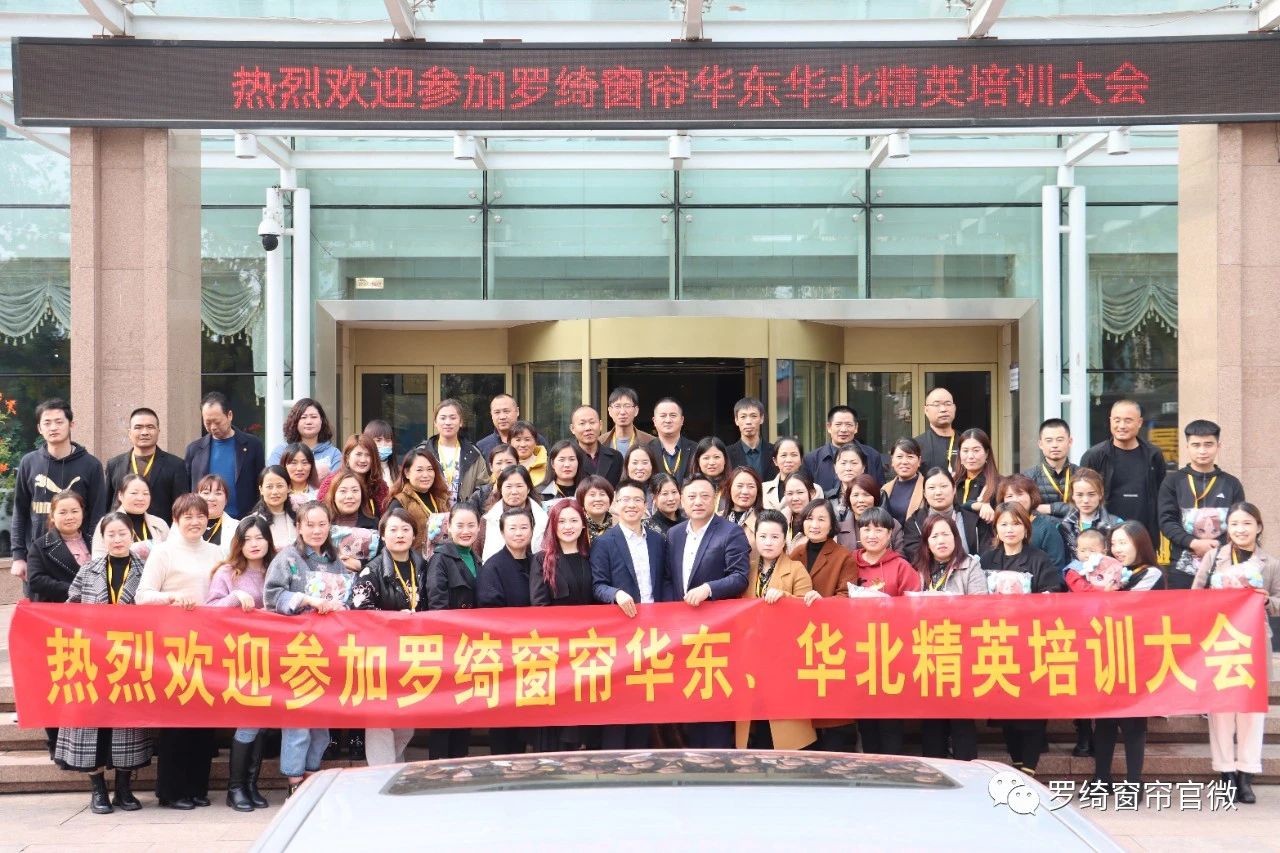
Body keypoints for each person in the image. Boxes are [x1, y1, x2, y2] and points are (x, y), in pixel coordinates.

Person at [53, 512, 151, 815]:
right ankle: (98, 790)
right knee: (91, 725)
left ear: (132, 536)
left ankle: (124, 789)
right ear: (103, 538)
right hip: (92, 660)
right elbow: (71, 606)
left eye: (123, 533)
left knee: (126, 727)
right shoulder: (89, 570)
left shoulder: (146, 570)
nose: (118, 539)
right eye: (111, 534)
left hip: (130, 660)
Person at [136, 493, 223, 809]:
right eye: (188, 517)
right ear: (176, 520)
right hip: (174, 646)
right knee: (177, 721)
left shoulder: (217, 552)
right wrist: (171, 598)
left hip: (209, 644)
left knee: (205, 720)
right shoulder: (163, 552)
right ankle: (172, 791)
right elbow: (142, 595)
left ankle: (197, 787)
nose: (195, 522)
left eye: (200, 516)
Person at [1062, 523, 1161, 795]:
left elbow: (1125, 605)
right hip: (1105, 653)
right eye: (1114, 543)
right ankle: (1101, 779)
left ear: (1140, 544)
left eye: (1123, 543)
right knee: (1104, 720)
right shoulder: (1105, 572)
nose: (1117, 549)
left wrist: (1104, 593)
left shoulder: (1149, 573)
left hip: (1136, 657)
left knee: (1132, 722)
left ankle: (1133, 783)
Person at [1193, 502, 1278, 805]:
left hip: (1254, 642)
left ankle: (1246, 774)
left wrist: (1266, 601)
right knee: (1221, 710)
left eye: (1247, 523)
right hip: (1219, 640)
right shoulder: (1213, 557)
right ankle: (1226, 772)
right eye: (1235, 524)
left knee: (1251, 711)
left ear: (1259, 527)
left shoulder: (1270, 563)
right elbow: (1195, 595)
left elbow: (1279, 600)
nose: (1240, 530)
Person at [265, 502, 350, 796]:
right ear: (299, 527)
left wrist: (340, 606)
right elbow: (272, 596)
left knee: (321, 722)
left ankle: (312, 776)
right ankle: (294, 782)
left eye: (322, 524)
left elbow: (346, 598)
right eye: (310, 525)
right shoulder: (287, 558)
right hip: (296, 650)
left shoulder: (335, 561)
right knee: (298, 721)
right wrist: (306, 600)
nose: (316, 530)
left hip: (327, 651)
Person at [665, 474, 750, 748]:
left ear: (716, 499)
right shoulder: (674, 534)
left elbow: (740, 576)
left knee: (715, 698)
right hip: (683, 631)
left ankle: (719, 762)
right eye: (691, 496)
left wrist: (708, 589)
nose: (698, 502)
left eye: (704, 496)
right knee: (689, 698)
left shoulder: (730, 532)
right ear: (682, 500)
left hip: (717, 632)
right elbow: (668, 578)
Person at [982, 501, 1063, 776]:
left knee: (1031, 711)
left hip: (1030, 645)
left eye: (1016, 524)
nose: (1010, 529)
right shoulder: (987, 560)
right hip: (999, 645)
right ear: (996, 528)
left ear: (1026, 528)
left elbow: (1054, 594)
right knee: (1006, 711)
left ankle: (1028, 769)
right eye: (1004, 524)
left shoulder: (1039, 559)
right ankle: (1018, 765)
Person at [349, 508, 429, 767]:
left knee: (407, 721)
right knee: (380, 721)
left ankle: (393, 767)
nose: (400, 535)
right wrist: (394, 620)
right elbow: (359, 612)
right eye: (393, 530)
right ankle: (381, 774)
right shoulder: (371, 571)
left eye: (406, 529)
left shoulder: (423, 566)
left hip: (412, 654)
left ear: (414, 535)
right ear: (382, 535)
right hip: (379, 656)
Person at [205, 515, 275, 812]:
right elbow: (209, 609)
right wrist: (235, 596)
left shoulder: (277, 568)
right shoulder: (227, 572)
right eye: (247, 539)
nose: (254, 544)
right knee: (248, 720)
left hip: (273, 656)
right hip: (241, 657)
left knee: (261, 724)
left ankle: (250, 784)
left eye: (260, 538)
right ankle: (235, 788)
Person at [591, 480, 667, 748]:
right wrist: (616, 594)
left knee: (644, 694)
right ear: (615, 504)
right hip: (620, 632)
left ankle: (640, 756)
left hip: (653, 632)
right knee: (618, 697)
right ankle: (613, 758)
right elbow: (597, 585)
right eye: (625, 500)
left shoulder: (658, 540)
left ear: (646, 506)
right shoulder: (604, 542)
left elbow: (665, 580)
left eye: (637, 500)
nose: (632, 505)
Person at [737, 508, 820, 751]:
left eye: (775, 537)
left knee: (784, 726)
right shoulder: (747, 569)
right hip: (751, 655)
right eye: (763, 536)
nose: (768, 542)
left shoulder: (796, 569)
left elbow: (808, 613)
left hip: (784, 656)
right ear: (755, 538)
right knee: (756, 721)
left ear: (785, 539)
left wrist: (785, 597)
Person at [910, 513, 987, 760]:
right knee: (932, 718)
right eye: (934, 536)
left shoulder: (970, 565)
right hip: (928, 650)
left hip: (960, 651)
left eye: (946, 534)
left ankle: (967, 768)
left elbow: (981, 607)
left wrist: (950, 607)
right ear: (926, 542)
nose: (941, 540)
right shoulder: (918, 569)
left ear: (956, 537)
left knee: (961, 717)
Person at [10, 398, 107, 584]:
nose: (53, 427)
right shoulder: (29, 463)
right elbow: (20, 511)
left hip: (80, 560)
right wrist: (18, 556)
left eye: (59, 422)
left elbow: (98, 515)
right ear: (39, 428)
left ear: (71, 424)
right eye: (47, 423)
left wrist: (96, 554)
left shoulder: (91, 465)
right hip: (38, 558)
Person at [849, 506, 919, 753]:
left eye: (879, 530)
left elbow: (915, 607)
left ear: (890, 534)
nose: (872, 535)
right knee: (865, 721)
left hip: (892, 654)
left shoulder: (901, 566)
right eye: (866, 529)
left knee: (890, 721)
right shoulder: (849, 562)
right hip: (858, 653)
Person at [530, 500, 598, 752]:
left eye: (573, 520)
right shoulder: (542, 560)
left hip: (589, 651)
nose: (568, 526)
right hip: (556, 651)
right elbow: (539, 606)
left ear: (583, 525)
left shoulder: (592, 557)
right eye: (562, 521)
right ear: (553, 526)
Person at [424, 504, 483, 759]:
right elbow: (436, 603)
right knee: (445, 712)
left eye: (471, 525)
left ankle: (460, 763)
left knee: (464, 710)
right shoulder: (440, 558)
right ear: (448, 527)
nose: (466, 530)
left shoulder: (476, 558)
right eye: (460, 525)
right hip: (448, 647)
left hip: (470, 648)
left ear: (479, 528)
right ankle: (438, 767)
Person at [477, 506, 537, 755]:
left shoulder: (538, 562)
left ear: (532, 530)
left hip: (533, 655)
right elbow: (489, 611)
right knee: (504, 720)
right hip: (504, 655)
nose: (519, 533)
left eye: (524, 527)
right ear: (502, 532)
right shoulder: (493, 566)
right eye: (512, 528)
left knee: (527, 717)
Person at [1159, 419, 1246, 589]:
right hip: (1181, 568)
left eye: (1208, 444)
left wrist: (1216, 546)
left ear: (1218, 446)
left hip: (1223, 565)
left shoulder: (1232, 483)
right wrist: (1193, 543)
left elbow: (1238, 522)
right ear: (1187, 447)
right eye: (1196, 445)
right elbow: (1166, 521)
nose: (1202, 450)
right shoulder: (1173, 482)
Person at [1080, 399, 1167, 546]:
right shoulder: (1094, 456)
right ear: (1110, 421)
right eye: (1117, 420)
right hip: (1104, 536)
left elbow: (1161, 494)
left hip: (1144, 535)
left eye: (1128, 421)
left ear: (1139, 422)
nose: (1121, 426)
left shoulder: (1153, 455)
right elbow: (1082, 495)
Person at [185, 391, 265, 522]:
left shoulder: (252, 445)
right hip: (204, 521)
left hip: (243, 520)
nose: (213, 427)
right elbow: (188, 489)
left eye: (217, 422)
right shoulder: (194, 449)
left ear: (229, 415)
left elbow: (260, 484)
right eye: (207, 423)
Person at [104, 406, 190, 520]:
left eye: (150, 427)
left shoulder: (176, 465)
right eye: (138, 427)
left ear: (158, 431)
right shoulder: (114, 465)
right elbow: (106, 505)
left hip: (159, 529)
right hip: (122, 528)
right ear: (130, 433)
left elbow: (182, 507)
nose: (144, 432)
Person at [901, 468, 980, 564]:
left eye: (944, 486)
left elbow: (985, 553)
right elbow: (915, 557)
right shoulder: (914, 523)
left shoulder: (972, 519)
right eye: (931, 488)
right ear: (924, 493)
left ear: (954, 489)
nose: (938, 492)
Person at [387, 446, 451, 557]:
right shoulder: (400, 502)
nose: (425, 475)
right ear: (407, 473)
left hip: (442, 560)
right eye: (419, 470)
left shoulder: (441, 498)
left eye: (430, 469)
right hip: (415, 562)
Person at [994, 474, 1069, 569]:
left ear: (1032, 497)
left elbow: (1056, 567)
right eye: (1009, 496)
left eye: (1020, 494)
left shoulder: (1047, 529)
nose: (1015, 500)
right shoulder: (999, 526)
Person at [805, 405, 886, 491]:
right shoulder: (812, 459)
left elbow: (880, 491)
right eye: (838, 424)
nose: (843, 429)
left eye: (848, 425)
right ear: (829, 427)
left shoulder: (872, 456)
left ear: (856, 428)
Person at [90, 474, 169, 559]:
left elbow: (170, 557)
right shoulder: (107, 523)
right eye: (134, 493)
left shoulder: (160, 524)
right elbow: (98, 558)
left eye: (145, 493)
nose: (140, 498)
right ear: (120, 495)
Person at [427, 398, 489, 504]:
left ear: (461, 422)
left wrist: (469, 507)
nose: (448, 422)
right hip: (432, 512)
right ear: (435, 423)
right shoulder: (424, 452)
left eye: (453, 418)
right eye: (443, 418)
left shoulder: (473, 453)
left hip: (465, 512)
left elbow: (484, 488)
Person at [480, 465, 548, 562]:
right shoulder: (488, 519)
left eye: (519, 486)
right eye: (508, 486)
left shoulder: (543, 518)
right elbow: (477, 554)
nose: (514, 492)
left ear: (528, 488)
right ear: (500, 489)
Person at [267, 397, 343, 479]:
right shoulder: (280, 451)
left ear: (321, 420)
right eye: (303, 417)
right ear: (295, 421)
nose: (309, 422)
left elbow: (336, 483)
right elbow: (274, 480)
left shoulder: (334, 454)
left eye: (314, 417)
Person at [316, 433, 390, 517]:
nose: (363, 460)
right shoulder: (331, 482)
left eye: (368, 455)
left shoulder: (380, 486)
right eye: (358, 454)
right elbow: (320, 514)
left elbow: (386, 517)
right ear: (347, 457)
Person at [1022, 418, 1078, 520]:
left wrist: (1050, 508)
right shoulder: (1027, 477)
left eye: (1060, 440)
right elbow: (1023, 510)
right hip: (1042, 529)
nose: (1054, 445)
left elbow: (1090, 508)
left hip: (1076, 529)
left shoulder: (1082, 475)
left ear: (1070, 442)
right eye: (1049, 440)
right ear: (1040, 444)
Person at [836, 474, 905, 555]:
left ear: (875, 498)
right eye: (855, 495)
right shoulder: (839, 529)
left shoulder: (892, 525)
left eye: (866, 495)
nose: (861, 500)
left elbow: (901, 556)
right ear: (848, 499)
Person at [1060, 467, 1123, 556]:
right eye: (1079, 495)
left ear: (1101, 494)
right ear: (1072, 495)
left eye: (1091, 494)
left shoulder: (1116, 524)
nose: (1086, 500)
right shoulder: (1064, 526)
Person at [952, 428, 999, 526]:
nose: (970, 456)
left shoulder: (1000, 484)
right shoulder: (952, 483)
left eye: (976, 450)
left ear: (987, 453)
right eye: (965, 451)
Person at [476, 393, 544, 458]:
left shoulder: (537, 440)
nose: (502, 417)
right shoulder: (482, 446)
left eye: (506, 411)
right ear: (491, 415)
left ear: (517, 411)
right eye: (497, 412)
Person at [570, 404, 623, 486]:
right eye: (582, 423)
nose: (588, 428)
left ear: (600, 425)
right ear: (572, 429)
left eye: (592, 422)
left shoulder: (616, 457)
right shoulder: (567, 458)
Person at [647, 398, 696, 485]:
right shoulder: (646, 450)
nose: (668, 420)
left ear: (682, 420)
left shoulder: (695, 449)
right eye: (663, 416)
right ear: (654, 421)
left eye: (673, 415)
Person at [726, 397, 776, 481]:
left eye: (753, 416)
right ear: (736, 420)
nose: (748, 422)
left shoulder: (775, 452)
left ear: (762, 419)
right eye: (743, 417)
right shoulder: (727, 454)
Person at [247, 466, 297, 549]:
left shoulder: (299, 518)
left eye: (280, 486)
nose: (275, 492)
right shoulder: (251, 522)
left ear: (289, 488)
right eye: (269, 487)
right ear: (261, 489)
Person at [762, 437, 819, 510]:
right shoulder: (763, 489)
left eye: (794, 455)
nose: (788, 460)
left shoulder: (815, 489)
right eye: (783, 455)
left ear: (801, 459)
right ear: (775, 460)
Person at [915, 387, 959, 473]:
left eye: (948, 404)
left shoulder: (966, 442)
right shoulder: (916, 446)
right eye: (936, 405)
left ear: (954, 408)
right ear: (926, 410)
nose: (943, 409)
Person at [881, 438, 924, 527]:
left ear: (919, 461)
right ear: (892, 460)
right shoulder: (884, 489)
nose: (904, 462)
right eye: (899, 457)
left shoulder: (928, 487)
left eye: (910, 457)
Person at [601, 387, 655, 456]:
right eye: (617, 406)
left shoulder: (650, 442)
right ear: (610, 411)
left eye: (627, 406)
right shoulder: (600, 442)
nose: (622, 412)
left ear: (636, 410)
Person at [719, 466, 763, 546]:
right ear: (729, 488)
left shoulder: (767, 520)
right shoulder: (716, 519)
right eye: (739, 486)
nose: (745, 491)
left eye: (751, 486)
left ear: (758, 491)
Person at [195, 475, 237, 555]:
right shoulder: (182, 526)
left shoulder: (237, 528)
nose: (211, 498)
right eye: (206, 493)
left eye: (218, 493)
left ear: (226, 500)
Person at [540, 440, 586, 507]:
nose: (567, 465)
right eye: (562, 460)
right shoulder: (540, 493)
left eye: (572, 459)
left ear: (578, 462)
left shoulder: (588, 491)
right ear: (552, 463)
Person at [779, 472, 819, 546]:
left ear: (812, 493)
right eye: (790, 493)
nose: (795, 498)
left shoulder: (821, 520)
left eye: (800, 492)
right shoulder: (780, 519)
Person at [475, 444, 519, 509]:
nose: (504, 468)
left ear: (518, 464)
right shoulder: (481, 494)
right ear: (491, 467)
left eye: (509, 462)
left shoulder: (525, 490)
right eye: (499, 463)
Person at [575, 474, 615, 542]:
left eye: (602, 494)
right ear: (582, 499)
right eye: (592, 495)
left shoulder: (619, 527)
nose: (598, 499)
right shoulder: (576, 526)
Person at [508, 419, 548, 486]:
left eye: (527, 440)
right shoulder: (503, 465)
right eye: (518, 440)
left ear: (535, 442)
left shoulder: (547, 466)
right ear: (509, 442)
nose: (523, 444)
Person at [362, 418, 398, 490]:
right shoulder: (362, 470)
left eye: (388, 440)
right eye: (378, 440)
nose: (383, 444)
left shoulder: (399, 471)